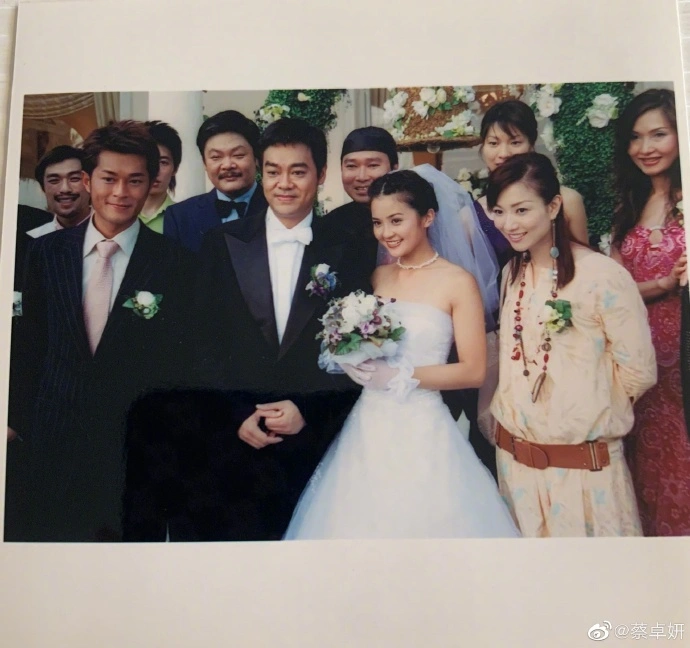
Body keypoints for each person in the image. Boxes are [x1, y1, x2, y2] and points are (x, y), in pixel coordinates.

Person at [283, 168, 519, 539]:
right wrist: (347, 357)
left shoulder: (458, 282)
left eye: (396, 220)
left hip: (424, 425)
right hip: (368, 426)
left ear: (427, 217)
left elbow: (473, 371)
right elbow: (353, 334)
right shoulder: (378, 276)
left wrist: (400, 376)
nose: (386, 233)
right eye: (378, 223)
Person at [180, 117, 373, 541]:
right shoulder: (221, 242)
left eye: (298, 171)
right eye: (273, 171)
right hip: (236, 438)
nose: (284, 184)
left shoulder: (348, 248)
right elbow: (201, 341)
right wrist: (236, 413)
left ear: (321, 174)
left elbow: (360, 347)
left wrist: (309, 411)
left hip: (314, 444)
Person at [6, 120, 192, 542]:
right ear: (89, 181)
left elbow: (182, 362)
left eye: (135, 180)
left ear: (152, 183)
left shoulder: (178, 263)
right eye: (109, 179)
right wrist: (16, 420)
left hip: (137, 453)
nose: (121, 192)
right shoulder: (45, 253)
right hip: (53, 445)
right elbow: (29, 344)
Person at [487, 152, 656, 537]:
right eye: (499, 211)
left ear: (553, 206)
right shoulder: (512, 272)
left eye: (521, 210)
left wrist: (582, 405)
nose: (509, 224)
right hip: (516, 470)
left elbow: (639, 374)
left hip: (583, 474)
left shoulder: (602, 276)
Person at [474, 99, 589, 448]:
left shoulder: (566, 200)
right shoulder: (474, 211)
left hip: (558, 323)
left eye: (515, 141)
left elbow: (583, 265)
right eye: (493, 143)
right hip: (503, 332)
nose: (503, 153)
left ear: (532, 143)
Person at [610, 88, 690, 536]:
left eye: (659, 134)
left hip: (684, 352)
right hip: (639, 355)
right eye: (636, 137)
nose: (645, 148)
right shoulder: (630, 203)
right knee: (645, 455)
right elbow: (616, 290)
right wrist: (662, 284)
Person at [162, 110, 267, 252]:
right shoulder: (180, 216)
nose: (227, 165)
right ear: (204, 163)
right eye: (216, 157)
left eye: (238, 155)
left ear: (257, 159)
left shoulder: (278, 209)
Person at [323, 126, 398, 264]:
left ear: (394, 168)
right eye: (351, 166)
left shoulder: (413, 219)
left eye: (373, 165)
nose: (362, 177)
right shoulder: (328, 226)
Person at [138, 120, 182, 233]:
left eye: (163, 162)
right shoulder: (121, 214)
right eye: (148, 161)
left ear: (175, 168)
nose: (155, 170)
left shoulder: (183, 217)